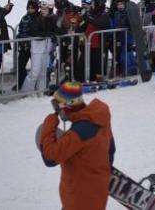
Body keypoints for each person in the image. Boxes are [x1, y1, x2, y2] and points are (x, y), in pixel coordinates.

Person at [38, 81, 115, 210]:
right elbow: (111, 150)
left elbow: (50, 157)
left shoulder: (77, 133)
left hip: (79, 200)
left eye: (58, 107)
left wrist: (49, 124)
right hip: (97, 194)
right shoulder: (98, 118)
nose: (57, 112)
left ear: (67, 108)